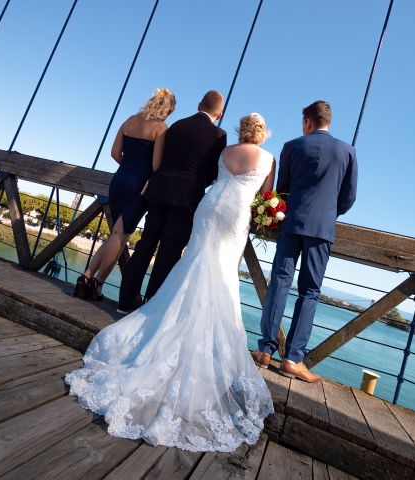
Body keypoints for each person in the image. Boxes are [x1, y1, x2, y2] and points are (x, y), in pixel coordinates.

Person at [66, 113, 276, 452]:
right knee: (221, 274)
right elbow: (265, 197)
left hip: (208, 209)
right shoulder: (268, 158)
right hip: (235, 214)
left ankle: (161, 315)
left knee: (193, 264)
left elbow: (210, 178)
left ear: (241, 129)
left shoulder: (226, 151)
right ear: (263, 133)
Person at [253, 101, 358, 383]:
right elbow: (348, 197)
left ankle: (265, 350)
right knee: (309, 291)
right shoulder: (347, 151)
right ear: (328, 121)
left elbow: (283, 188)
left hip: (291, 224)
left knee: (280, 282)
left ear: (308, 122)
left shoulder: (291, 147)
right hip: (321, 229)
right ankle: (293, 359)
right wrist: (327, 212)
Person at [117, 90, 227, 313]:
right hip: (186, 197)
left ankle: (125, 302)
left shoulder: (177, 125)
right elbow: (213, 172)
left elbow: (161, 157)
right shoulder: (219, 135)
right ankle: (151, 307)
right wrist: (197, 182)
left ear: (198, 105)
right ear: (220, 113)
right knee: (169, 252)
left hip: (158, 190)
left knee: (146, 244)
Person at [73, 88, 175, 300]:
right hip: (139, 185)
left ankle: (86, 277)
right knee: (121, 235)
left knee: (114, 234)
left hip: (118, 180)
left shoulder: (130, 120)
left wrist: (128, 167)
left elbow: (114, 153)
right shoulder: (161, 128)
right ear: (168, 108)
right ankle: (97, 284)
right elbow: (156, 166)